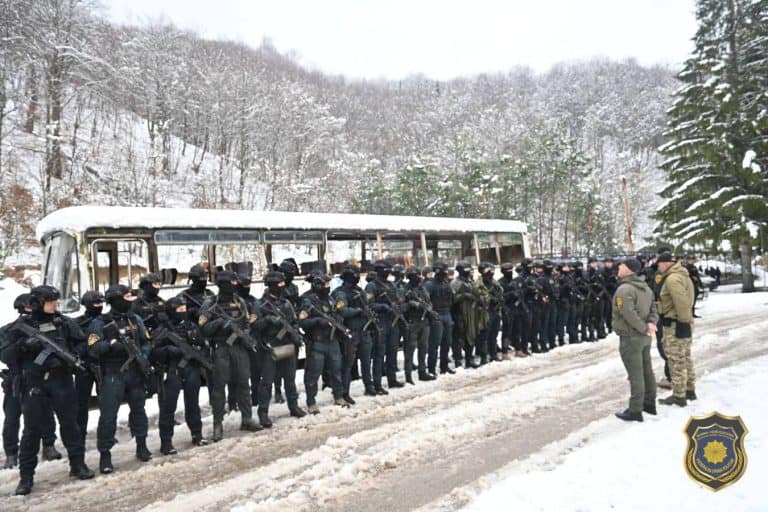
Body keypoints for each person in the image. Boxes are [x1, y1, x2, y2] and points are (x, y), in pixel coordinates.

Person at [4, 286, 94, 494]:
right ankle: (26, 477)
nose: (56, 304)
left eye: (56, 301)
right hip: (34, 384)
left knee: (70, 424)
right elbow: (6, 355)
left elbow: (82, 344)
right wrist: (25, 346)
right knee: (32, 431)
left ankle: (78, 465)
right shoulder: (20, 327)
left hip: (61, 381)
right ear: (37, 303)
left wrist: (69, 357)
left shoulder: (63, 322)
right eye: (51, 301)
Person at [88, 284, 153, 473]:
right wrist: (111, 345)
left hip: (135, 372)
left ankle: (142, 445)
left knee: (139, 411)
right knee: (109, 416)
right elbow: (93, 349)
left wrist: (143, 356)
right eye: (126, 297)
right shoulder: (100, 323)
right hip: (113, 374)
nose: (130, 301)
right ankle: (105, 455)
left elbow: (146, 342)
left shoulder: (135, 319)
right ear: (116, 300)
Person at [199, 271, 262, 440]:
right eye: (232, 281)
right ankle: (217, 424)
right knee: (219, 388)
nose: (235, 284)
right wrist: (219, 323)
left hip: (239, 348)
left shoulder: (239, 301)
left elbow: (247, 322)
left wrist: (245, 334)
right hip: (221, 349)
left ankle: (247, 418)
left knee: (243, 384)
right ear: (224, 284)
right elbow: (203, 329)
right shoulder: (210, 304)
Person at [1, 294, 61, 470]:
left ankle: (48, 445)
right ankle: (12, 454)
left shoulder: (47, 326)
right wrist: (23, 345)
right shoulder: (8, 330)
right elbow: (5, 356)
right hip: (16, 379)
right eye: (29, 308)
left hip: (39, 377)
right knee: (12, 417)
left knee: (46, 413)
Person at [152, 296, 212, 454]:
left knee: (193, 404)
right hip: (172, 370)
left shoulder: (191, 326)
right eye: (179, 310)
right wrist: (168, 351)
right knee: (168, 407)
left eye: (185, 309)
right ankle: (166, 442)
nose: (183, 312)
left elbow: (203, 344)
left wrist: (199, 353)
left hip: (191, 369)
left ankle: (197, 434)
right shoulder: (163, 330)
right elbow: (153, 352)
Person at [612, 259, 659, 422]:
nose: (618, 267)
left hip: (631, 337)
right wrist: (651, 324)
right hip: (644, 336)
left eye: (621, 266)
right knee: (647, 370)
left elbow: (628, 314)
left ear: (629, 270)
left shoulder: (625, 289)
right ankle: (649, 403)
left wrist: (644, 327)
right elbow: (654, 308)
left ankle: (635, 410)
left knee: (636, 374)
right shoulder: (645, 287)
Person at [297, 273, 348, 413]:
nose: (328, 287)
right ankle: (311, 402)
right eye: (325, 284)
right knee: (313, 373)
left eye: (328, 284)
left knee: (336, 370)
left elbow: (336, 313)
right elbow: (302, 322)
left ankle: (338, 396)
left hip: (332, 340)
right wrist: (318, 321)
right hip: (317, 342)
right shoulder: (307, 301)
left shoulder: (330, 299)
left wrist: (338, 320)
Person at [656, 252, 697, 407]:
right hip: (681, 321)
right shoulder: (682, 275)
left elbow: (681, 302)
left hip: (675, 323)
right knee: (685, 356)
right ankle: (689, 389)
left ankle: (679, 395)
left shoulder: (673, 279)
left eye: (659, 264)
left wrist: (683, 322)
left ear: (666, 263)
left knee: (676, 359)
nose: (658, 267)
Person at [332, 264, 375, 402]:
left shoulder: (359, 290)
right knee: (348, 364)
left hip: (364, 330)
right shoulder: (340, 292)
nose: (357, 277)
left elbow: (367, 305)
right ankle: (344, 392)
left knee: (366, 361)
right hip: (350, 333)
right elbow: (342, 311)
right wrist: (359, 311)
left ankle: (369, 385)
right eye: (355, 274)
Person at [72, 291, 105, 447]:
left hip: (102, 365)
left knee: (105, 401)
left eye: (100, 303)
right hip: (84, 367)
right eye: (95, 304)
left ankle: (105, 433)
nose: (99, 306)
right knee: (81, 404)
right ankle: (80, 436)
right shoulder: (77, 323)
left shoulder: (105, 321)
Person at [402, 266, 437, 382]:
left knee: (423, 348)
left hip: (424, 321)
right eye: (416, 276)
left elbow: (429, 301)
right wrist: (412, 304)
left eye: (419, 275)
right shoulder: (404, 290)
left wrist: (429, 308)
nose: (419, 278)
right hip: (412, 322)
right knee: (410, 350)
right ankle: (408, 375)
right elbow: (400, 307)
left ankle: (422, 372)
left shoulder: (422, 289)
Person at [424, 261, 455, 375]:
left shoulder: (446, 283)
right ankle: (431, 368)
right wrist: (431, 314)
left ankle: (444, 366)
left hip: (447, 313)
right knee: (434, 343)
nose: (446, 273)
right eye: (445, 270)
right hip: (436, 315)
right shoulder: (429, 285)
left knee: (447, 342)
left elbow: (451, 297)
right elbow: (426, 302)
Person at [451, 262, 484, 368]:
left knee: (471, 336)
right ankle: (458, 361)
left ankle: (469, 359)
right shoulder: (455, 283)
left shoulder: (470, 281)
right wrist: (464, 295)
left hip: (472, 312)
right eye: (466, 269)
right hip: (459, 314)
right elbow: (452, 299)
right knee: (459, 338)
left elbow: (477, 294)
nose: (469, 271)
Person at [475, 262, 503, 363]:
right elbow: (479, 297)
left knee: (494, 335)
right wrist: (489, 299)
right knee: (484, 336)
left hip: (495, 311)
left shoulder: (494, 282)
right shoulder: (478, 284)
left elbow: (500, 292)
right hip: (485, 313)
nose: (491, 272)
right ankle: (483, 357)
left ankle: (493, 354)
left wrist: (498, 298)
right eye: (488, 270)